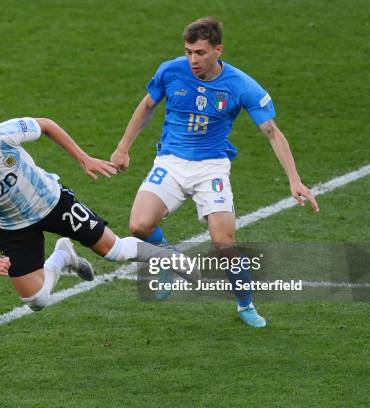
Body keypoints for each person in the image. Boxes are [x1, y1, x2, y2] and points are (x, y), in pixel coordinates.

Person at [110, 17, 319, 328]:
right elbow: (147, 105)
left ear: (218, 50)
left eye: (200, 53)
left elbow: (272, 131)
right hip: (171, 161)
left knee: (224, 244)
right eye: (188, 52)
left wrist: (293, 178)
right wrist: (123, 147)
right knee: (139, 226)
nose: (193, 59)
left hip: (211, 168)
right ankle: (167, 255)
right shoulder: (171, 70)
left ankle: (246, 305)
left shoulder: (240, 85)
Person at [0, 117, 186, 312]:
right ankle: (63, 257)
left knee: (114, 251)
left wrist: (83, 158)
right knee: (36, 301)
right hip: (14, 228)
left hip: (53, 202)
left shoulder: (0, 136)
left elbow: (47, 125)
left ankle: (170, 256)